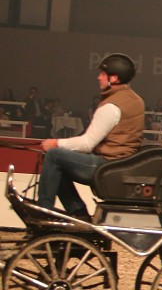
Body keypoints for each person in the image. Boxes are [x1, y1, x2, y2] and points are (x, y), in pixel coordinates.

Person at [37, 53, 145, 219]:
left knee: (53, 156)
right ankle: (78, 212)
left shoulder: (111, 106)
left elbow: (87, 143)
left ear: (114, 78)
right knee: (61, 161)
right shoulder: (135, 99)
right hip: (120, 163)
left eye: (102, 74)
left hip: (107, 166)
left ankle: (44, 211)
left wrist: (55, 143)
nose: (98, 77)